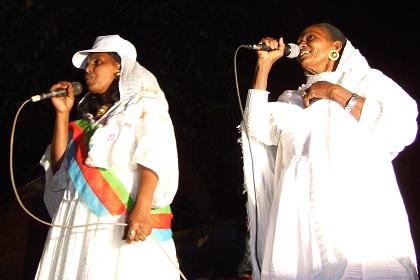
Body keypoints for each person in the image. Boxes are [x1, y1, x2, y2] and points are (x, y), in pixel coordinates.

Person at [241, 22, 418, 279]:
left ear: (336, 47)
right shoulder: (293, 99)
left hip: (354, 217)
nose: (301, 43)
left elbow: (402, 125)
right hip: (301, 227)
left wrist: (334, 92)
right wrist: (264, 65)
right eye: (300, 38)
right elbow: (256, 127)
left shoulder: (367, 81)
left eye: (310, 37)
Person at [36, 35, 180, 279]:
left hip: (119, 220)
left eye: (97, 62)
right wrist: (62, 114)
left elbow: (154, 153)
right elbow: (60, 171)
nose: (88, 69)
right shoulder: (89, 123)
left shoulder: (143, 105)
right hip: (80, 223)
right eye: (88, 65)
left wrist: (143, 207)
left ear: (120, 67)